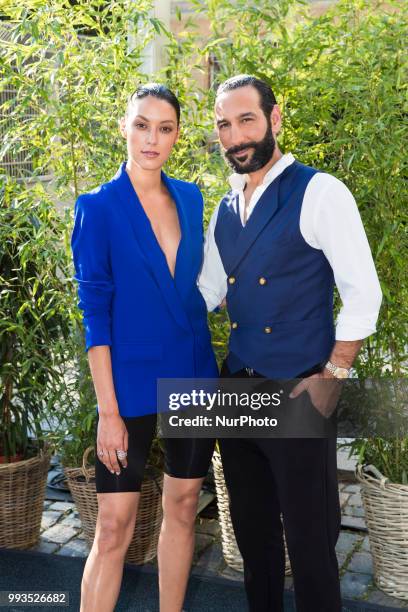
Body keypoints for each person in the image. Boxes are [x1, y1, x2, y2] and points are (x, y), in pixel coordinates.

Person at [198, 74, 382, 612]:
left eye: (246, 119)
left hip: (298, 387)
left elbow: (363, 293)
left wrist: (335, 374)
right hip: (237, 388)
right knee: (254, 542)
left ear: (274, 119)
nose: (235, 136)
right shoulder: (224, 209)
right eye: (224, 125)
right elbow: (208, 290)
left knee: (310, 543)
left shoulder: (320, 191)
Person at [71, 83, 218, 612]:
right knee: (113, 527)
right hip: (128, 385)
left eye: (165, 128)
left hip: (194, 374)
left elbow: (202, 285)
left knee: (182, 507)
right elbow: (96, 318)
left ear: (178, 136)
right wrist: (107, 411)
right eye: (141, 124)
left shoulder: (193, 198)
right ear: (124, 126)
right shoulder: (97, 208)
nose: (151, 139)